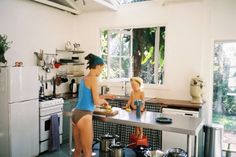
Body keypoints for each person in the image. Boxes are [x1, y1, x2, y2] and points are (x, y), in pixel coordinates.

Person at [72, 53, 109, 157]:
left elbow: (89, 98)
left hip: (76, 114)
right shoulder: (93, 79)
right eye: (101, 69)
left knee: (78, 150)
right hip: (84, 116)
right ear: (97, 66)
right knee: (88, 152)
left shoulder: (84, 78)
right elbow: (96, 101)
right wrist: (103, 101)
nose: (100, 72)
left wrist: (104, 98)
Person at [122, 77, 146, 142]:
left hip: (139, 110)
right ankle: (136, 132)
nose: (133, 86)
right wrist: (126, 106)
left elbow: (143, 101)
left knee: (139, 122)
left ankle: (141, 132)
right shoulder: (132, 92)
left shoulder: (141, 92)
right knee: (134, 122)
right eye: (132, 85)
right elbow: (130, 100)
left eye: (135, 85)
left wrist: (141, 108)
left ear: (139, 85)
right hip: (133, 109)